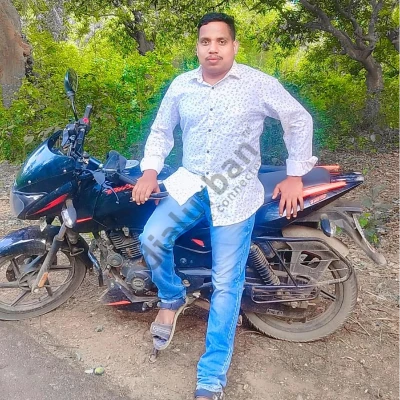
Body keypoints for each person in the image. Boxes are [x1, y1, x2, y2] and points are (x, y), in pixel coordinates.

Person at [132, 12, 317, 400]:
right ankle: (172, 297)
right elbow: (161, 131)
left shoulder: (257, 84)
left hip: (236, 193)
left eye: (220, 41)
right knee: (151, 238)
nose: (212, 48)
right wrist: (150, 171)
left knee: (226, 284)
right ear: (197, 47)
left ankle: (211, 376)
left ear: (233, 46)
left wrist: (295, 174)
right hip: (190, 185)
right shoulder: (182, 86)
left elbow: (298, 119)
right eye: (205, 42)